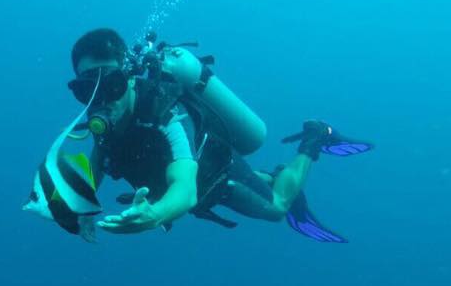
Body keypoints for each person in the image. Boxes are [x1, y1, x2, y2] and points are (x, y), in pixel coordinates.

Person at [67, 28, 373, 241]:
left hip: (218, 177)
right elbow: (98, 161)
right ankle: (270, 176)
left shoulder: (167, 115)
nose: (103, 99)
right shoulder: (107, 118)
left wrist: (155, 215)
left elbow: (185, 190)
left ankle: (315, 138)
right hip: (197, 181)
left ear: (129, 78)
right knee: (260, 183)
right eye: (87, 89)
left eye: (112, 85)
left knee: (278, 207)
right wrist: (80, 208)